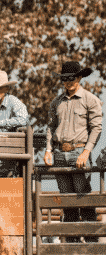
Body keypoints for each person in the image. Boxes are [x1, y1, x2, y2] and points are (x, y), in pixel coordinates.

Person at [43, 61, 103, 243]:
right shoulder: (57, 102)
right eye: (64, 79)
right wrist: (48, 150)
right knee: (66, 198)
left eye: (71, 78)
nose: (68, 82)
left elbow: (96, 128)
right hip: (60, 153)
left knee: (82, 194)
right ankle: (72, 241)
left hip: (79, 152)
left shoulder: (90, 100)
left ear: (79, 78)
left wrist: (86, 152)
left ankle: (91, 240)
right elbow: (51, 127)